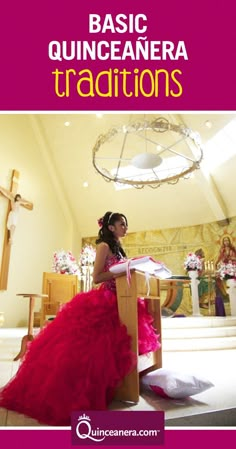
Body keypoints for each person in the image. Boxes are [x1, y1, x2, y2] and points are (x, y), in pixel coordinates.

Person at [0, 211, 160, 426]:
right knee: (92, 348)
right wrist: (119, 272)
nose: (125, 227)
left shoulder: (117, 247)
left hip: (123, 299)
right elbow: (96, 278)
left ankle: (122, 384)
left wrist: (128, 268)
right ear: (111, 227)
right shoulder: (103, 246)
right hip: (106, 299)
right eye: (122, 224)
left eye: (126, 224)